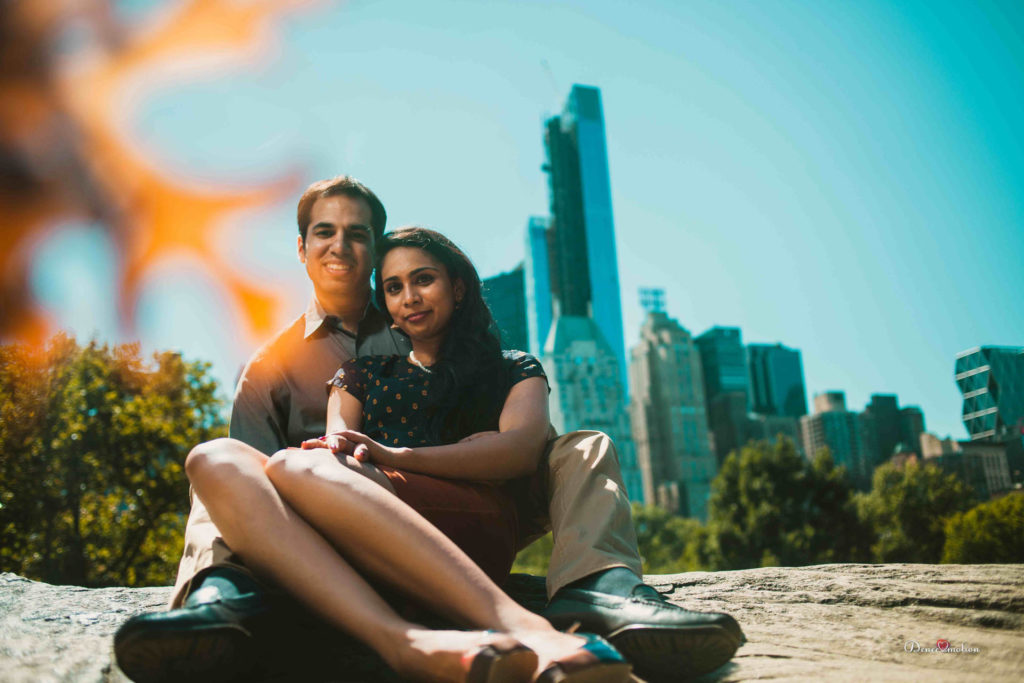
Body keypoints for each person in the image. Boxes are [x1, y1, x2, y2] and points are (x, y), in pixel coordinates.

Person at [114, 176, 742, 683]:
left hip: (454, 505)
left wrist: (392, 455)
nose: (340, 247)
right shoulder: (274, 367)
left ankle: (599, 584)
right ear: (301, 249)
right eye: (323, 233)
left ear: (379, 248)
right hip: (315, 530)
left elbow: (515, 446)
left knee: (581, 444)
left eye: (358, 234)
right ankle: (223, 592)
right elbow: (256, 482)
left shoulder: (429, 335)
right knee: (218, 462)